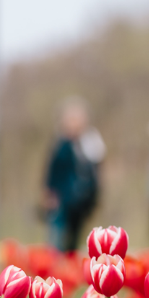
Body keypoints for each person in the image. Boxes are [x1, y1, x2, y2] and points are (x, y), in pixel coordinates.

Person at [43, 97, 105, 253]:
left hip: (81, 201)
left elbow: (95, 171)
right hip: (62, 198)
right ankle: (56, 272)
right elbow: (53, 171)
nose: (75, 123)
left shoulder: (89, 143)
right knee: (57, 239)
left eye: (79, 120)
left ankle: (69, 268)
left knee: (74, 240)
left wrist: (94, 196)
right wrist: (50, 193)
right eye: (72, 119)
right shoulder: (61, 144)